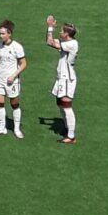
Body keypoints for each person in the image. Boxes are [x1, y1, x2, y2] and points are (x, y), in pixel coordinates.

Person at [45, 15, 78, 144]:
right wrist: (49, 28)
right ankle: (66, 128)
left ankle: (71, 136)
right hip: (62, 78)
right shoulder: (67, 43)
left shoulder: (72, 44)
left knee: (67, 106)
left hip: (67, 79)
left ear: (67, 34)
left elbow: (51, 42)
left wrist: (50, 28)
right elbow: (49, 42)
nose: (60, 32)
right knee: (60, 104)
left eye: (62, 31)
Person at [0, 20, 27, 138]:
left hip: (12, 81)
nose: (0, 36)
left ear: (9, 33)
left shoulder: (17, 47)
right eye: (0, 33)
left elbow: (23, 64)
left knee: (14, 104)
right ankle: (2, 128)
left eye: (3, 33)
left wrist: (13, 75)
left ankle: (16, 129)